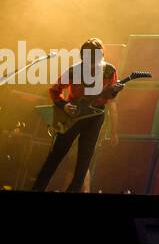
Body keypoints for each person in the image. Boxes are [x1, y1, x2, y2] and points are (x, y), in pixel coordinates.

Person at [31, 39, 123, 193]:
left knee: (84, 159)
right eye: (91, 60)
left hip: (96, 116)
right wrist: (64, 105)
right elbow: (54, 90)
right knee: (56, 155)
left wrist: (115, 90)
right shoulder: (74, 71)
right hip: (73, 115)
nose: (94, 64)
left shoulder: (109, 71)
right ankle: (37, 189)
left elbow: (110, 98)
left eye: (98, 58)